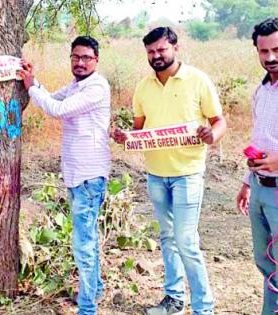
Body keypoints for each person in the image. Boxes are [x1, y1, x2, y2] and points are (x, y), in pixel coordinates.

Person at [113, 27, 226, 315]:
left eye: (161, 50)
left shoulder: (198, 80)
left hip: (187, 173)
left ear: (176, 47)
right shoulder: (143, 87)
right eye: (151, 52)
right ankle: (174, 300)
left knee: (187, 242)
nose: (156, 56)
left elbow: (218, 122)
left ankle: (204, 308)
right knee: (167, 238)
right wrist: (126, 136)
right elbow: (138, 131)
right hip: (155, 174)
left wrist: (211, 135)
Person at [18, 36, 110, 315]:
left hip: (88, 176)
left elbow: (56, 109)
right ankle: (94, 291)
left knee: (84, 244)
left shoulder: (96, 86)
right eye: (75, 57)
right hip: (77, 174)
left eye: (86, 58)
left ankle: (87, 308)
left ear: (96, 60)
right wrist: (33, 82)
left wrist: (31, 87)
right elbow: (53, 97)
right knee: (87, 239)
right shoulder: (76, 85)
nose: (80, 62)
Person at [236, 18, 278, 315]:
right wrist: (247, 181)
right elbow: (258, 138)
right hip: (260, 189)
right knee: (265, 263)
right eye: (264, 51)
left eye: (277, 49)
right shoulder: (261, 91)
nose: (271, 57)